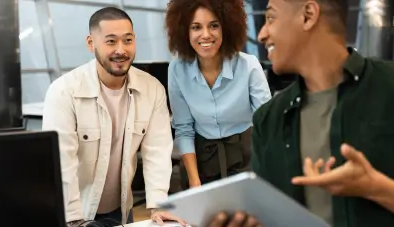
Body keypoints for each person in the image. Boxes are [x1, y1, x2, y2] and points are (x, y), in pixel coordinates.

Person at [249, 0, 394, 226]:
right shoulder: (267, 121)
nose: (261, 34)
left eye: (270, 18)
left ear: (308, 15)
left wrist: (377, 188)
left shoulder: (388, 88)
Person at [42, 7, 185, 227]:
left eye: (128, 40)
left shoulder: (152, 89)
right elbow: (63, 164)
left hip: (120, 209)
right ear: (91, 43)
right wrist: (73, 220)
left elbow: (157, 151)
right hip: (73, 214)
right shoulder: (64, 92)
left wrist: (158, 205)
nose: (121, 50)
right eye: (111, 41)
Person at [164, 0, 272, 189]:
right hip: (200, 161)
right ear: (184, 31)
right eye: (196, 27)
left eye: (214, 25)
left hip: (246, 157)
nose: (206, 35)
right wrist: (194, 181)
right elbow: (184, 129)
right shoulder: (177, 69)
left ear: (227, 27)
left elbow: (268, 123)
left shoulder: (249, 65)